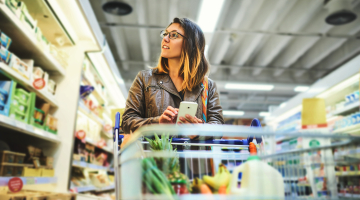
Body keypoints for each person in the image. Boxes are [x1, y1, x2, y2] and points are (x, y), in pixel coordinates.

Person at [121, 17, 224, 139]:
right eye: (165, 34)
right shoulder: (144, 78)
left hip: (194, 157)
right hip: (157, 157)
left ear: (191, 44)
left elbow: (218, 128)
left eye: (174, 35)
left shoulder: (208, 85)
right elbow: (127, 122)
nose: (165, 38)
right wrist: (157, 123)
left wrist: (200, 130)